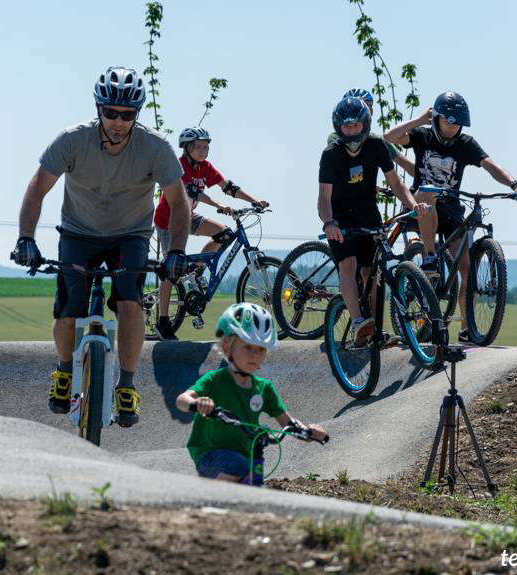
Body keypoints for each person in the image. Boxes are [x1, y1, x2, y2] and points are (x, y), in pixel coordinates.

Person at [12, 66, 191, 425]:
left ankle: (127, 384)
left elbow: (179, 202)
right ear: (98, 109)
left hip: (130, 235)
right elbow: (37, 188)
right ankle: (63, 372)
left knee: (130, 301)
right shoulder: (72, 140)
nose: (118, 122)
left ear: (136, 114)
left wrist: (176, 251)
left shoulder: (155, 147)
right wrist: (26, 238)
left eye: (126, 115)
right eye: (111, 112)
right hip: (79, 232)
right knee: (68, 307)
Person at [383, 91, 517, 342]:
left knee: (467, 268)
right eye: (449, 121)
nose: (453, 127)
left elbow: (490, 165)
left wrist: (515, 184)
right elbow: (390, 136)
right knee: (427, 194)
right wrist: (420, 120)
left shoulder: (466, 144)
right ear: (438, 119)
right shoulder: (423, 136)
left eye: (458, 123)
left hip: (451, 209)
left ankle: (466, 329)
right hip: (421, 208)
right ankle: (429, 256)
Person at [319, 97, 429, 348]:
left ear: (365, 124)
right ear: (338, 126)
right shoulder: (331, 154)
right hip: (340, 217)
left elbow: (395, 183)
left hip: (368, 212)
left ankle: (375, 329)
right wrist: (329, 223)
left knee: (372, 272)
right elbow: (323, 198)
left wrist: (413, 205)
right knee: (348, 265)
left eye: (355, 125)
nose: (351, 131)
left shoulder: (377, 145)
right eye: (346, 126)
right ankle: (358, 321)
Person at [175, 303, 328, 483]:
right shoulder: (214, 380)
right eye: (248, 347)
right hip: (209, 453)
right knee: (237, 467)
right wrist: (198, 403)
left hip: (246, 455)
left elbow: (288, 422)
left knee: (253, 475)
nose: (255, 355)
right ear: (226, 347)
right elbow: (181, 400)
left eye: (261, 349)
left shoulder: (264, 389)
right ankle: (212, 501)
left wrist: (308, 432)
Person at [152, 127, 270, 340]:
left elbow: (228, 187)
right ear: (187, 148)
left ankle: (197, 270)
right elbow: (191, 191)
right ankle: (162, 322)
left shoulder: (205, 167)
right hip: (168, 220)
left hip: (189, 217)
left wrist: (253, 200)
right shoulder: (178, 166)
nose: (203, 151)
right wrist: (218, 204)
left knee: (225, 234)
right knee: (171, 270)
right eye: (198, 147)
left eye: (206, 147)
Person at [327, 88, 415, 177]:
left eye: (367, 107)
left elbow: (405, 164)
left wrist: (426, 177)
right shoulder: (336, 138)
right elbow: (345, 165)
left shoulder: (377, 141)